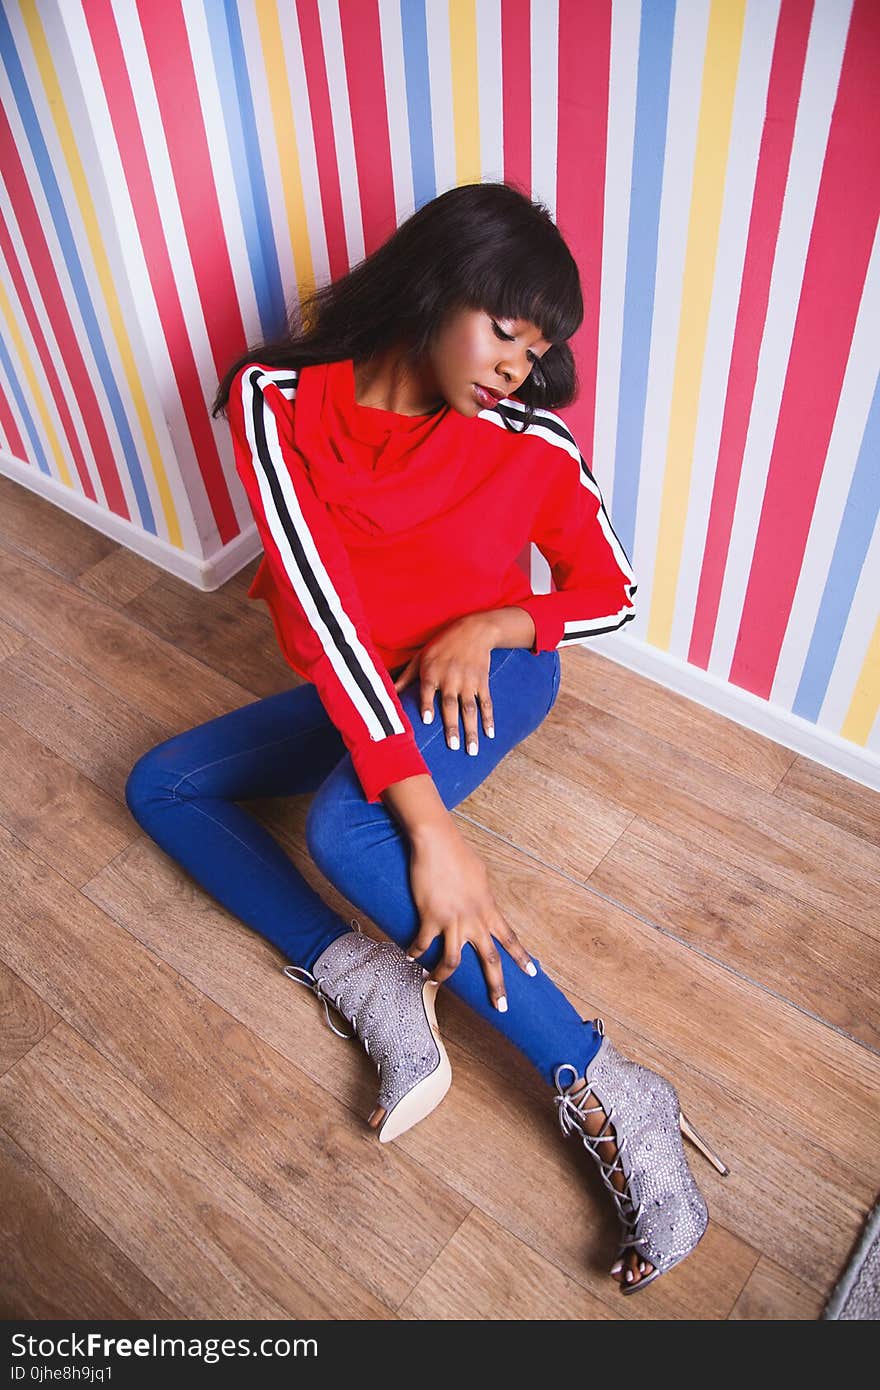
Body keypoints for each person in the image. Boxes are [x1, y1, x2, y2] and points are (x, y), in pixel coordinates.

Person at [124, 181, 728, 1298]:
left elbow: (614, 593)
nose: (517, 363)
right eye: (506, 328)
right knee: (163, 785)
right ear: (438, 281)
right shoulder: (275, 400)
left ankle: (608, 1083)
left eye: (536, 346)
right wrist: (435, 833)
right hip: (370, 677)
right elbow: (323, 617)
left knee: (351, 832)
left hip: (484, 678)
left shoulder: (523, 440)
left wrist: (495, 621)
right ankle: (366, 973)